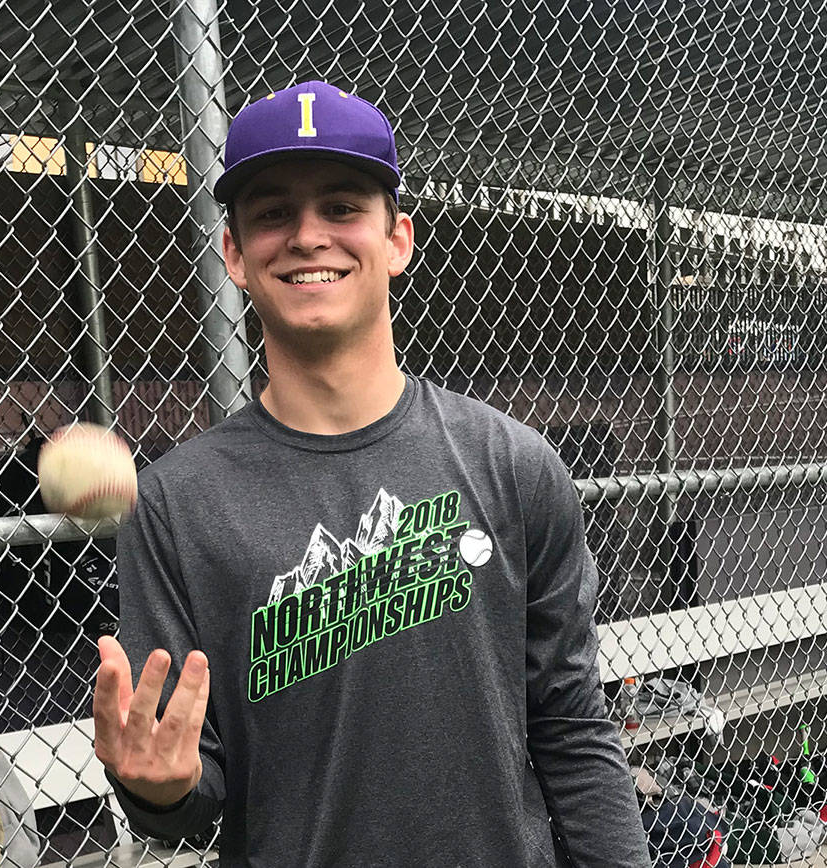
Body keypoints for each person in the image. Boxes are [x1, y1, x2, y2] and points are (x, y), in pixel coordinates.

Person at [92, 79, 649, 867]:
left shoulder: (514, 465)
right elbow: (188, 798)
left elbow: (569, 724)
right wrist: (156, 789)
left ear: (397, 240)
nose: (307, 236)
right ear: (235, 255)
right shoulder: (176, 505)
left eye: (342, 207)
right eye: (273, 213)